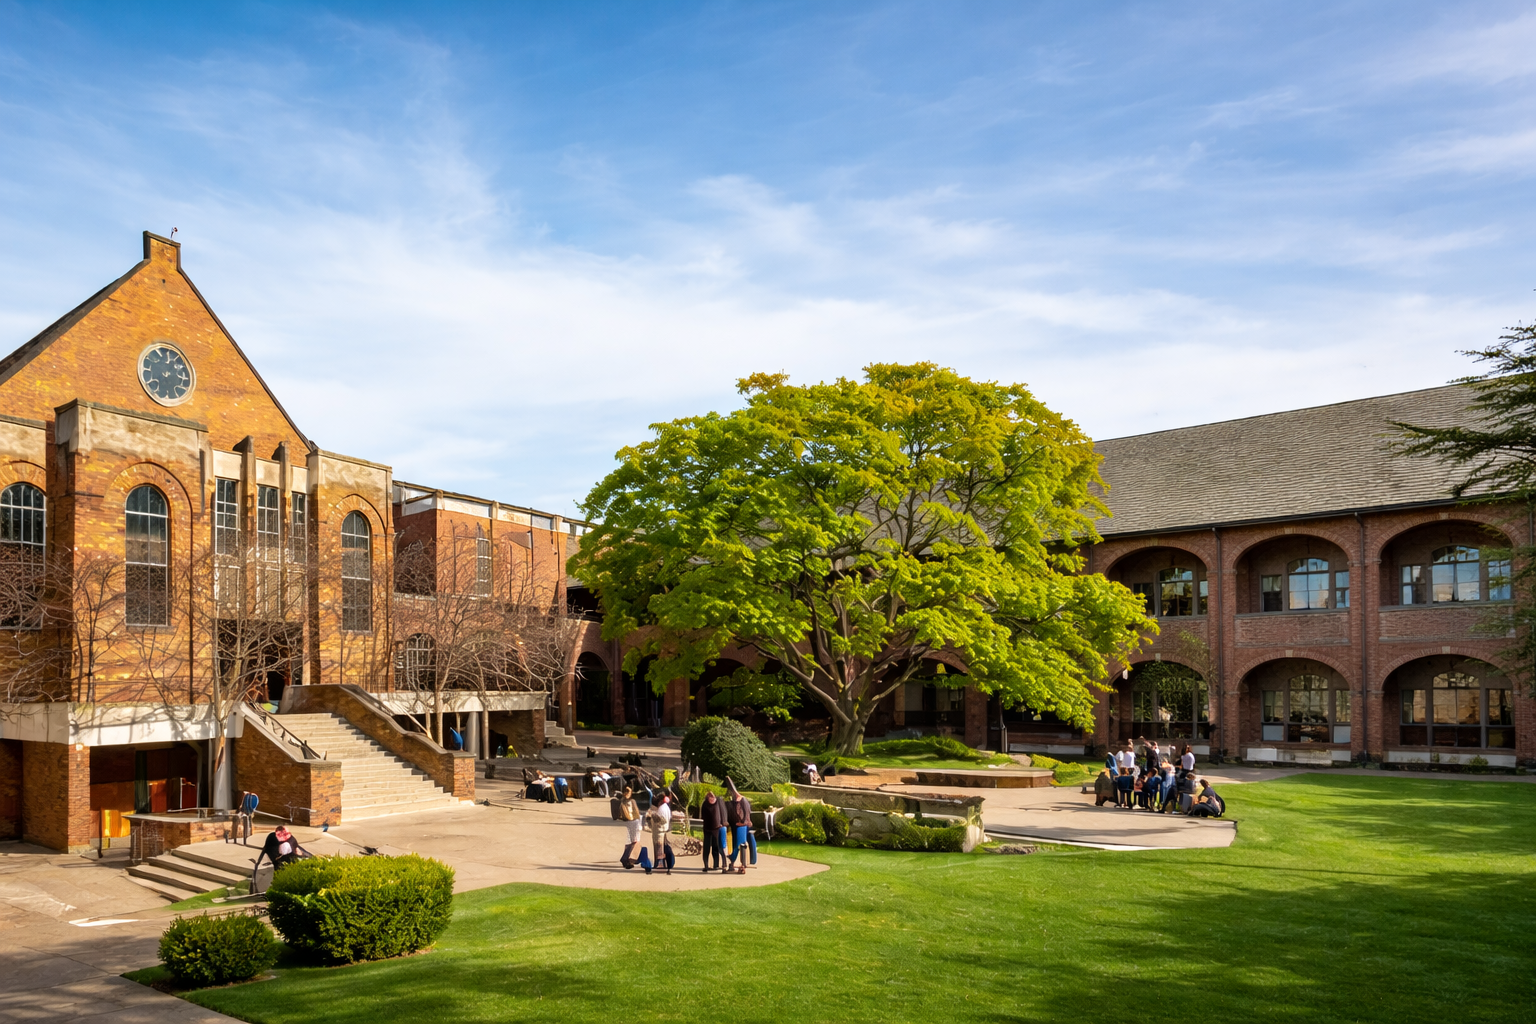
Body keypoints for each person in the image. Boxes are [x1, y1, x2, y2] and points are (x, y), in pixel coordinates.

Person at [725, 779, 755, 873]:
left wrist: (743, 822)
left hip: (742, 826)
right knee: (735, 844)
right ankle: (733, 861)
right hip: (735, 825)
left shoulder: (743, 800)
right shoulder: (732, 801)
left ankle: (738, 862)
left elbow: (747, 813)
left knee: (740, 844)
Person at [643, 792, 674, 875]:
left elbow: (660, 820)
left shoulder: (661, 809)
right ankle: (662, 864)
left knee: (658, 848)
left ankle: (659, 864)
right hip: (663, 830)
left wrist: (652, 815)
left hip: (659, 830)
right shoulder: (666, 807)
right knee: (661, 848)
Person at [700, 790, 726, 872]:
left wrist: (722, 822)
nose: (711, 798)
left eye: (712, 797)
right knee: (706, 848)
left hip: (716, 828)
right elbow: (703, 815)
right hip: (707, 828)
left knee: (716, 847)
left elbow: (723, 812)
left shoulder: (718, 802)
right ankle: (706, 865)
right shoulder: (705, 804)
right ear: (707, 797)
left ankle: (716, 865)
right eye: (709, 797)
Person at [618, 786, 642, 869]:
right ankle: (626, 857)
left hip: (628, 821)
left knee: (631, 840)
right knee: (634, 841)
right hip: (634, 821)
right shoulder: (632, 801)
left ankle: (627, 858)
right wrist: (640, 823)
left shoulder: (623, 801)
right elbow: (636, 812)